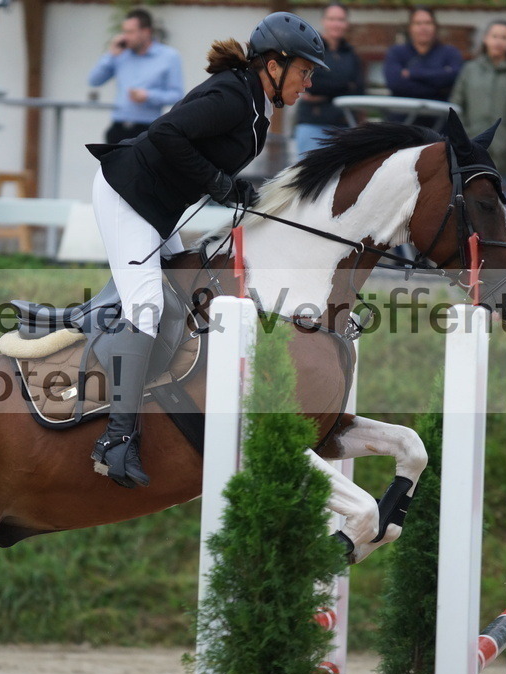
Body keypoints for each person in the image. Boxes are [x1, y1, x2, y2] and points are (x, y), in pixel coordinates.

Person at [84, 12, 327, 489]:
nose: (309, 82)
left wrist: (233, 186)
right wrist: (217, 182)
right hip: (127, 195)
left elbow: (203, 155)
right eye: (304, 71)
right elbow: (165, 133)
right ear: (274, 66)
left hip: (156, 206)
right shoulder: (232, 96)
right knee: (148, 306)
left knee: (181, 284)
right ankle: (115, 439)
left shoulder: (254, 103)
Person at [87, 8, 184, 145]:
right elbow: (94, 80)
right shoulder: (120, 54)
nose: (125, 37)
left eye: (130, 32)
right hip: (118, 128)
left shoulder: (169, 56)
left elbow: (176, 95)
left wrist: (148, 96)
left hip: (148, 129)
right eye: (124, 32)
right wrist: (110, 55)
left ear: (146, 32)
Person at [449, 20, 506, 179]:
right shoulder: (470, 69)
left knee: (500, 190)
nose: (498, 41)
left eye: (504, 37)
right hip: (471, 143)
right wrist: (465, 132)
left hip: (503, 146)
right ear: (485, 38)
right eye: (494, 36)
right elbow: (456, 104)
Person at [294, 2, 364, 157]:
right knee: (310, 170)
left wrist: (324, 91)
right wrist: (346, 86)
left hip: (344, 126)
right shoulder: (310, 49)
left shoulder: (351, 54)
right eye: (332, 19)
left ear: (346, 23)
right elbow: (312, 85)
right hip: (313, 124)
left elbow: (359, 89)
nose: (336, 24)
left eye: (341, 19)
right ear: (323, 21)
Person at [384, 6, 463, 102]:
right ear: (410, 28)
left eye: (428, 23)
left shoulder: (450, 53)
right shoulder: (396, 52)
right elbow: (395, 84)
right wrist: (438, 86)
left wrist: (412, 74)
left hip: (440, 110)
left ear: (435, 26)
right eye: (418, 23)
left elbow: (454, 79)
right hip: (403, 109)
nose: (423, 28)